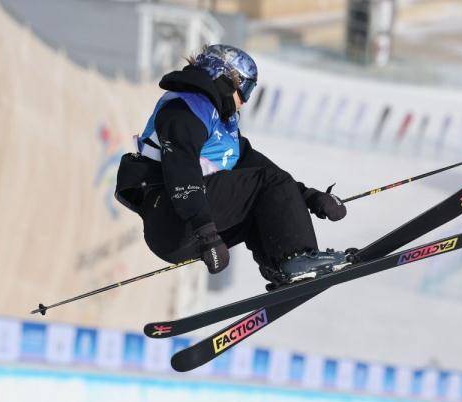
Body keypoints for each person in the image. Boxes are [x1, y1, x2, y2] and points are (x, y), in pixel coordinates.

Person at [115, 44, 348, 289]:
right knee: (266, 182)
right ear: (225, 80)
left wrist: (309, 197)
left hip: (188, 223)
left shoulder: (222, 126)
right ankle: (297, 258)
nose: (245, 101)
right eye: (245, 89)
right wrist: (206, 234)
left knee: (265, 193)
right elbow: (181, 170)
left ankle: (282, 265)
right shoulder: (185, 108)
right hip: (171, 218)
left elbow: (266, 173)